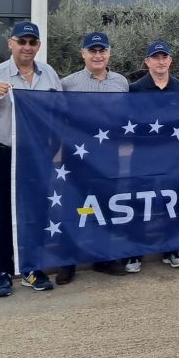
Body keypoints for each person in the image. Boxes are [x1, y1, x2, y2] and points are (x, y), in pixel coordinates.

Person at [0, 22, 62, 296]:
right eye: (21, 41)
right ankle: (2, 272)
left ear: (38, 46)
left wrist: (56, 148)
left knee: (36, 211)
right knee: (4, 212)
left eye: (32, 42)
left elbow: (60, 112)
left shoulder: (48, 75)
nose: (27, 47)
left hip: (37, 154)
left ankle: (32, 268)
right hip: (5, 153)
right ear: (11, 43)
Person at [58, 31, 130, 283]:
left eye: (102, 51)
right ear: (83, 54)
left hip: (109, 156)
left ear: (109, 53)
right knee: (73, 206)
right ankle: (68, 260)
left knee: (106, 206)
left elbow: (126, 119)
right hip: (77, 156)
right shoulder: (67, 84)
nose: (97, 55)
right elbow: (56, 119)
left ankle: (104, 257)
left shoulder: (121, 83)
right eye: (92, 51)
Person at [127, 40, 179, 272]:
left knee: (171, 203)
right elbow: (127, 122)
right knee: (140, 203)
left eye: (164, 57)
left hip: (173, 157)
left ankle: (171, 249)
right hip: (142, 156)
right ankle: (135, 253)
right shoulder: (136, 89)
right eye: (156, 57)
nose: (161, 62)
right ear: (147, 62)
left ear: (170, 60)